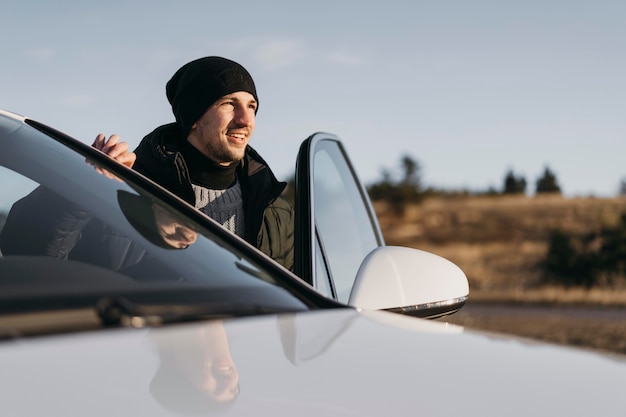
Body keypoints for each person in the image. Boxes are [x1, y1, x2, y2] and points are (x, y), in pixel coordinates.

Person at [125, 56, 294, 271]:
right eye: (229, 104)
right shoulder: (134, 189)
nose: (246, 120)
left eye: (251, 106)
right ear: (193, 118)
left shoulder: (276, 210)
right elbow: (84, 270)